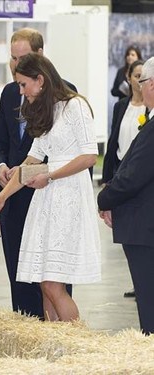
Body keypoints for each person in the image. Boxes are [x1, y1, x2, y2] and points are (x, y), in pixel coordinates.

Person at [0, 53, 101, 322]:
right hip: (48, 197)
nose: (21, 92)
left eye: (24, 85)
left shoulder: (75, 107)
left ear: (41, 80)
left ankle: (77, 346)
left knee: (52, 284)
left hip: (68, 195)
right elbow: (30, 161)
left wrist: (51, 175)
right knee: (43, 283)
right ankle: (56, 346)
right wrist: (0, 197)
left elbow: (89, 156)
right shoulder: (48, 110)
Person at [97, 56, 154, 335]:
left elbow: (134, 176)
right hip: (142, 224)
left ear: (152, 85)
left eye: (143, 82)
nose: (140, 88)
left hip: (145, 227)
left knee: (149, 304)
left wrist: (104, 199)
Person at [102, 59, 146, 299]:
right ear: (128, 78)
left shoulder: (149, 111)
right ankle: (138, 281)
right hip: (121, 168)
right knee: (126, 233)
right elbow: (113, 141)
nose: (139, 81)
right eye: (135, 75)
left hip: (140, 172)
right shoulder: (121, 106)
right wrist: (108, 177)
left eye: (143, 76)